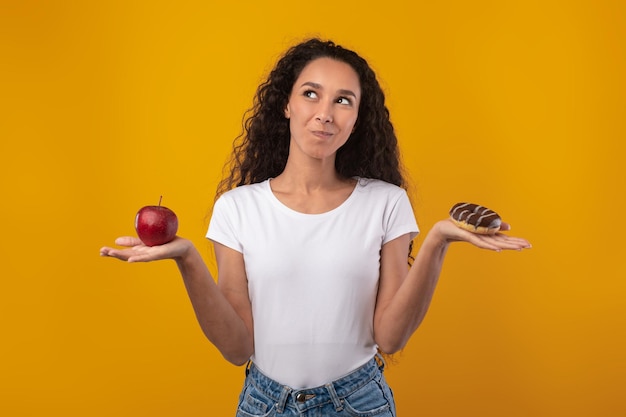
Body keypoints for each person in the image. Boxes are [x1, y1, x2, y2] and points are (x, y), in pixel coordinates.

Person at [100, 38, 531, 417]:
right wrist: (186, 259)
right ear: (286, 104)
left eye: (343, 101)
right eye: (311, 94)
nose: (325, 113)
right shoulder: (237, 209)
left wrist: (437, 242)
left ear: (357, 118)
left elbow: (391, 337)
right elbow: (236, 349)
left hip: (359, 403)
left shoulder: (385, 202)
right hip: (264, 405)